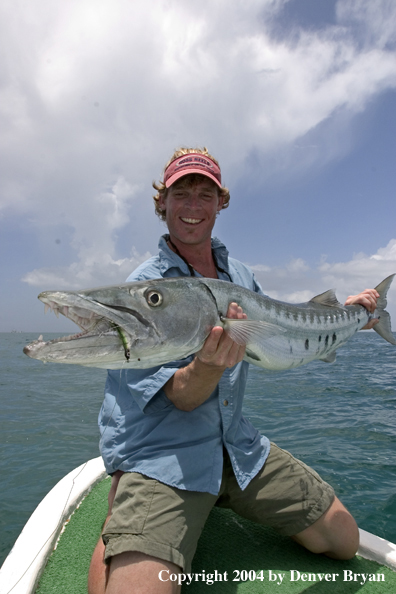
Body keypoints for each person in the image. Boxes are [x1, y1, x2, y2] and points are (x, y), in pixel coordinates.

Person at [88, 148, 379, 594]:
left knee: (343, 540)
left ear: (220, 204)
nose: (192, 206)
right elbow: (183, 397)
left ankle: (211, 499)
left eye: (205, 194)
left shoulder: (238, 273)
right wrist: (206, 365)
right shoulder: (147, 288)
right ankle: (123, 506)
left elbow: (284, 329)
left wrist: (350, 315)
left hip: (234, 444)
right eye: (180, 193)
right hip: (163, 456)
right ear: (161, 203)